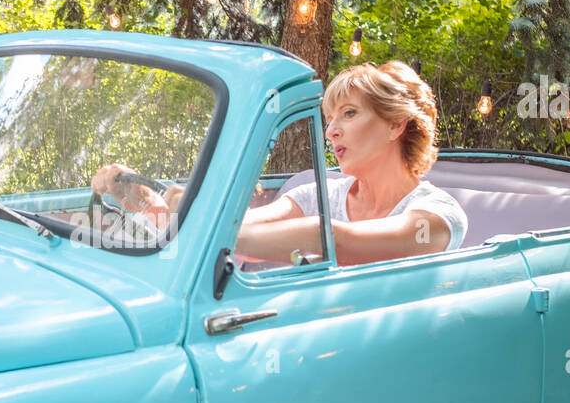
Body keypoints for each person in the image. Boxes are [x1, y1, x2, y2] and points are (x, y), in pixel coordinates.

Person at [92, 60, 467, 265]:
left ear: (396, 125)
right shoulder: (314, 195)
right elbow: (238, 232)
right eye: (329, 119)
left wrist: (206, 222)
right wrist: (144, 202)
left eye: (349, 114)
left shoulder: (437, 216)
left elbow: (335, 241)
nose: (331, 131)